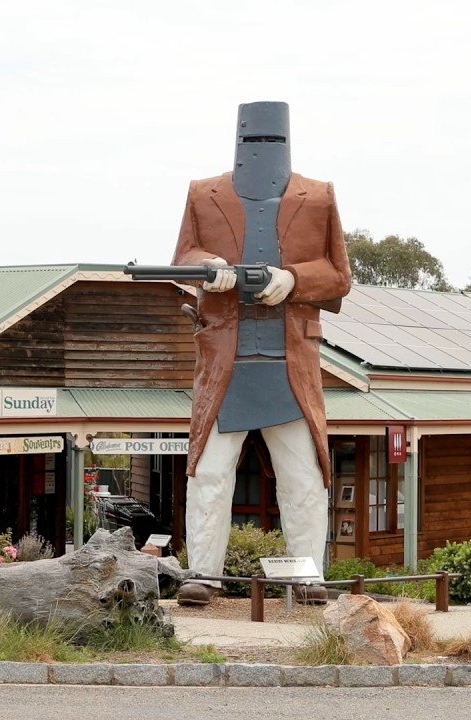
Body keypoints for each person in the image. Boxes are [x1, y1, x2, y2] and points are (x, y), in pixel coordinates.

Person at [171, 101, 351, 607]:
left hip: (290, 364)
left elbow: (339, 275)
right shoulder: (201, 194)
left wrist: (292, 279)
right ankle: (202, 574)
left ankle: (307, 576)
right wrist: (211, 267)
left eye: (267, 141)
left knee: (305, 478)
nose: (260, 150)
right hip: (225, 363)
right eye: (256, 140)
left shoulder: (318, 197)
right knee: (208, 473)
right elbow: (182, 258)